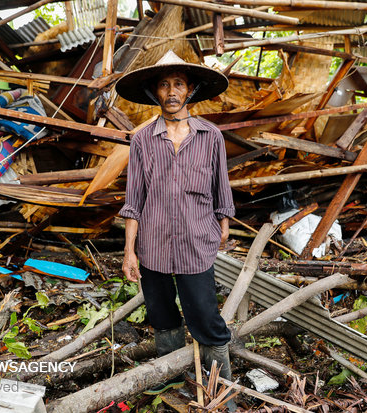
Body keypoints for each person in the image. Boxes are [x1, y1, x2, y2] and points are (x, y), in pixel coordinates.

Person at [116, 51, 236, 401]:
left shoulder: (210, 136)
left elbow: (221, 186)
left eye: (178, 84)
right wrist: (129, 252)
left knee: (205, 316)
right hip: (152, 244)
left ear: (190, 90)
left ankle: (221, 387)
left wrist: (223, 226)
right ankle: (171, 381)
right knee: (162, 315)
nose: (171, 91)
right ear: (155, 92)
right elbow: (133, 200)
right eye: (165, 84)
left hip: (197, 241)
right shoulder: (141, 140)